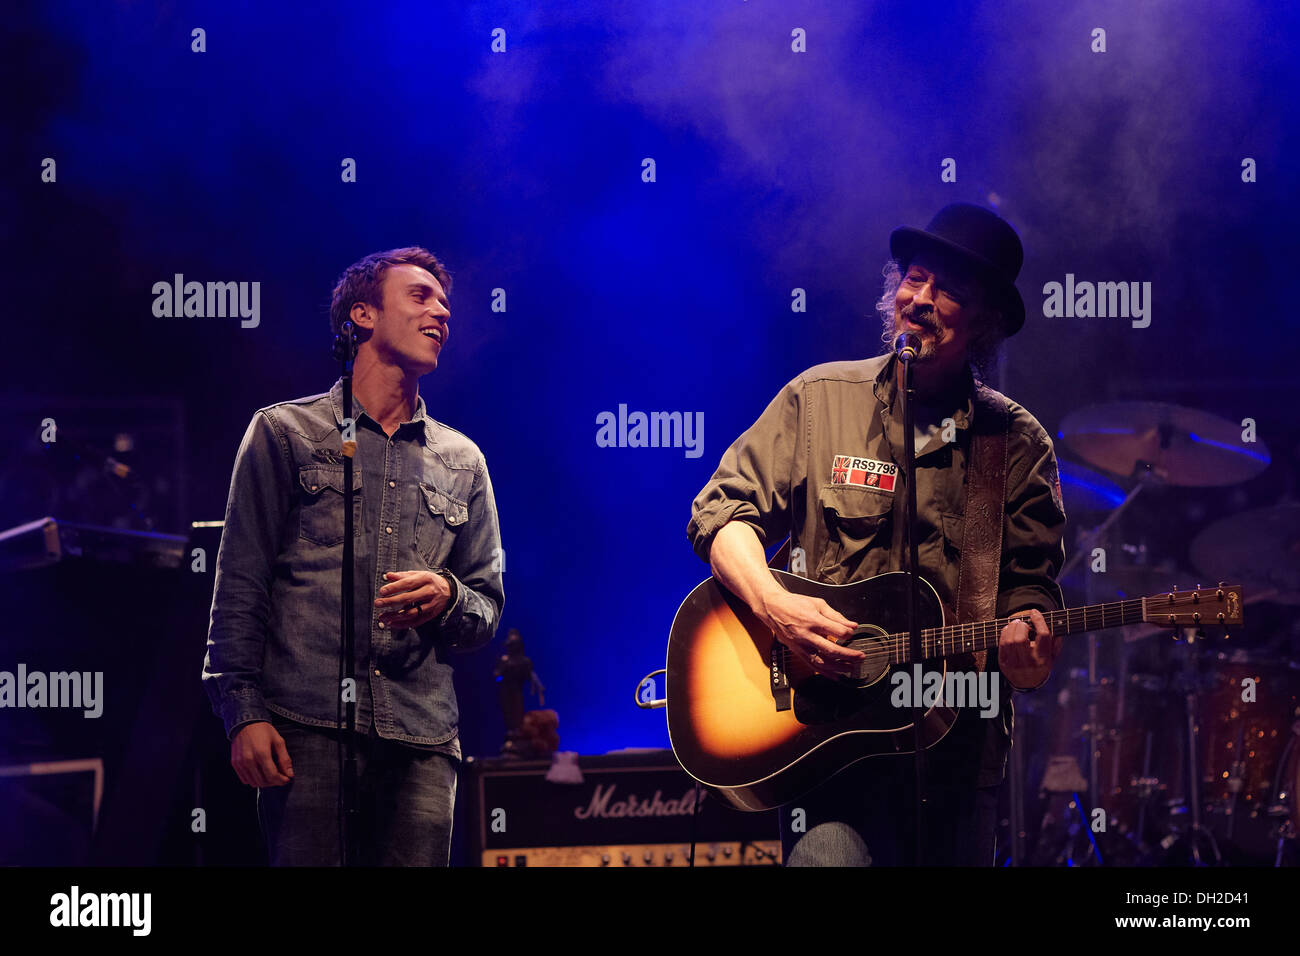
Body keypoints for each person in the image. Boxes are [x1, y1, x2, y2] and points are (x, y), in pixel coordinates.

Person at [687, 203, 1067, 866]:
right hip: (825, 746)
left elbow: (1030, 594)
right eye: (914, 279)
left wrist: (1029, 644)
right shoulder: (820, 398)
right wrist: (776, 606)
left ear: (984, 323)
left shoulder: (1015, 444)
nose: (919, 300)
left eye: (948, 290)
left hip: (955, 751)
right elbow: (722, 514)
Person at [202, 246, 504, 865]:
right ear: (362, 315)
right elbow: (240, 583)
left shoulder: (463, 460)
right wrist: (242, 712)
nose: (441, 311)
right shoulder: (285, 433)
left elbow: (487, 610)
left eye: (445, 302)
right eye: (420, 296)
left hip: (421, 738)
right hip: (304, 727)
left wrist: (449, 597)